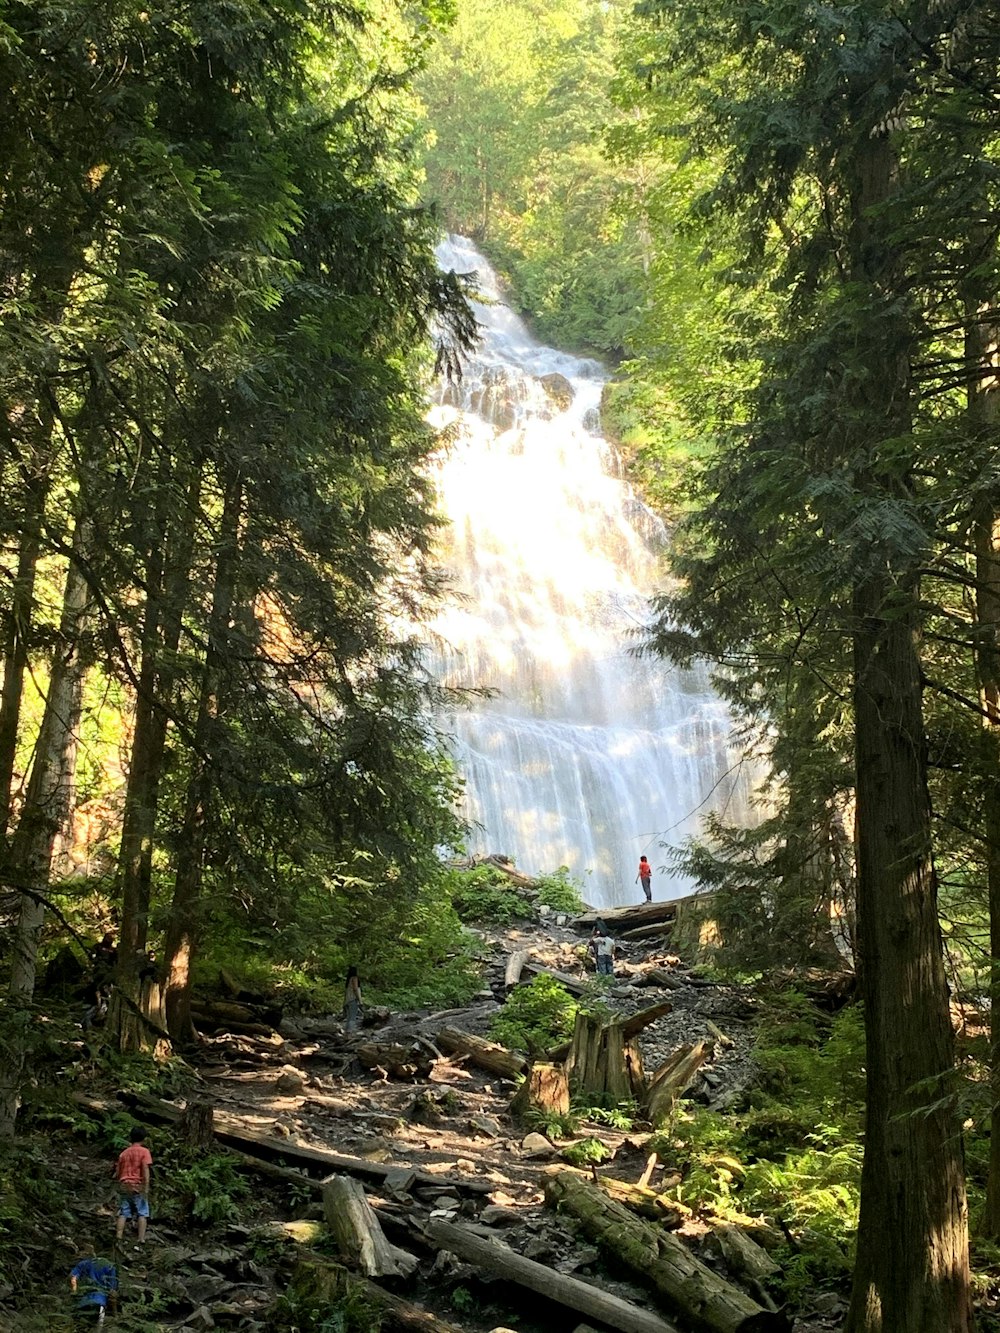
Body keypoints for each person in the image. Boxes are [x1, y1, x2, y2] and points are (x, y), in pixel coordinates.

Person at [114, 1125, 152, 1245]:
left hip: (125, 1185)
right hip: (138, 1185)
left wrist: (120, 1182)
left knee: (123, 1212)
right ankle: (141, 1239)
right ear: (144, 1138)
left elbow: (118, 1172)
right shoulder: (144, 1152)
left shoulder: (124, 1153)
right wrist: (146, 1186)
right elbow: (145, 1169)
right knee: (142, 1212)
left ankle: (118, 1236)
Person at [69, 1253, 118, 1322]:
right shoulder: (109, 1266)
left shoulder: (83, 1264)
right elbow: (112, 1290)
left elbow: (73, 1279)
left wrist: (74, 1291)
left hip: (84, 1299)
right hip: (101, 1299)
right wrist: (114, 1313)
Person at [344, 966, 363, 1033]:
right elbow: (355, 989)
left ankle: (346, 1034)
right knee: (352, 1017)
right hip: (353, 1000)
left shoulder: (348, 980)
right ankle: (350, 1033)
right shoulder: (354, 978)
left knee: (349, 1018)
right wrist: (359, 1000)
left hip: (347, 1000)